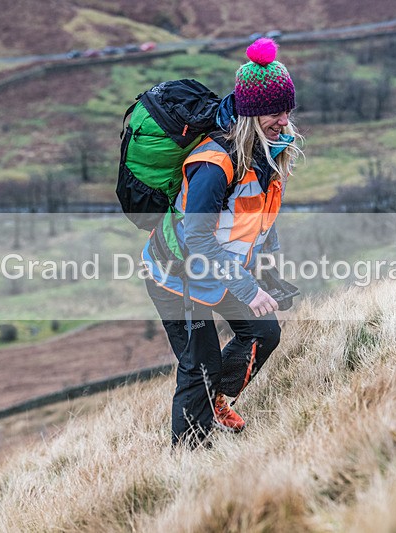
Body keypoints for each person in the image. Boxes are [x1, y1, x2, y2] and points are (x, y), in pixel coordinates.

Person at [142, 38, 303, 448]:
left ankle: (217, 402)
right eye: (275, 112)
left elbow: (259, 220)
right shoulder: (216, 163)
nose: (284, 120)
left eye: (287, 110)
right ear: (250, 114)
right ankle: (188, 457)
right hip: (176, 276)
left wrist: (268, 272)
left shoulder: (266, 155)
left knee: (263, 333)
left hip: (216, 271)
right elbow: (197, 236)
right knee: (200, 366)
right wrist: (247, 288)